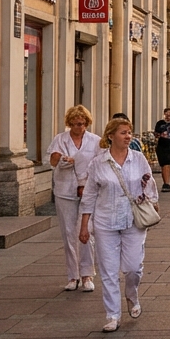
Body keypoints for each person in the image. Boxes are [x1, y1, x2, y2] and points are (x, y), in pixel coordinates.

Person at [79, 117, 158, 332]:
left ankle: (131, 294)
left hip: (134, 220)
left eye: (129, 132)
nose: (128, 136)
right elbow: (89, 194)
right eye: (123, 133)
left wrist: (153, 202)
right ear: (111, 136)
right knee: (108, 270)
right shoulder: (98, 163)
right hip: (106, 221)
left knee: (133, 267)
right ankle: (112, 314)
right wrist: (85, 225)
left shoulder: (138, 158)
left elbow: (149, 182)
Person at [47, 105, 100, 293]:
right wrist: (61, 160)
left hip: (87, 190)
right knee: (68, 233)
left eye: (84, 124)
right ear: (70, 124)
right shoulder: (59, 139)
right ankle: (73, 275)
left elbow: (100, 163)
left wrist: (84, 168)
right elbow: (52, 161)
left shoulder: (95, 141)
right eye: (77, 124)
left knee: (87, 232)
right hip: (64, 190)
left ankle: (87, 274)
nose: (81, 127)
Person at [154, 108, 170, 193]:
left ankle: (167, 183)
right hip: (161, 146)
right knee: (163, 165)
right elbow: (156, 134)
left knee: (168, 164)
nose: (169, 116)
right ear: (164, 114)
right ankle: (165, 182)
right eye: (167, 114)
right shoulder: (160, 123)